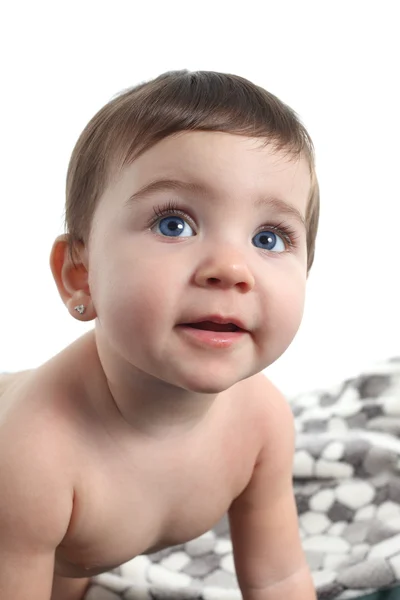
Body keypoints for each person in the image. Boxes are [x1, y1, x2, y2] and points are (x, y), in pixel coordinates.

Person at [0, 69, 319, 600]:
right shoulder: (34, 456)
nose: (231, 267)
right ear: (81, 274)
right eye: (175, 224)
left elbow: (279, 579)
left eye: (269, 236)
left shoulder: (261, 425)